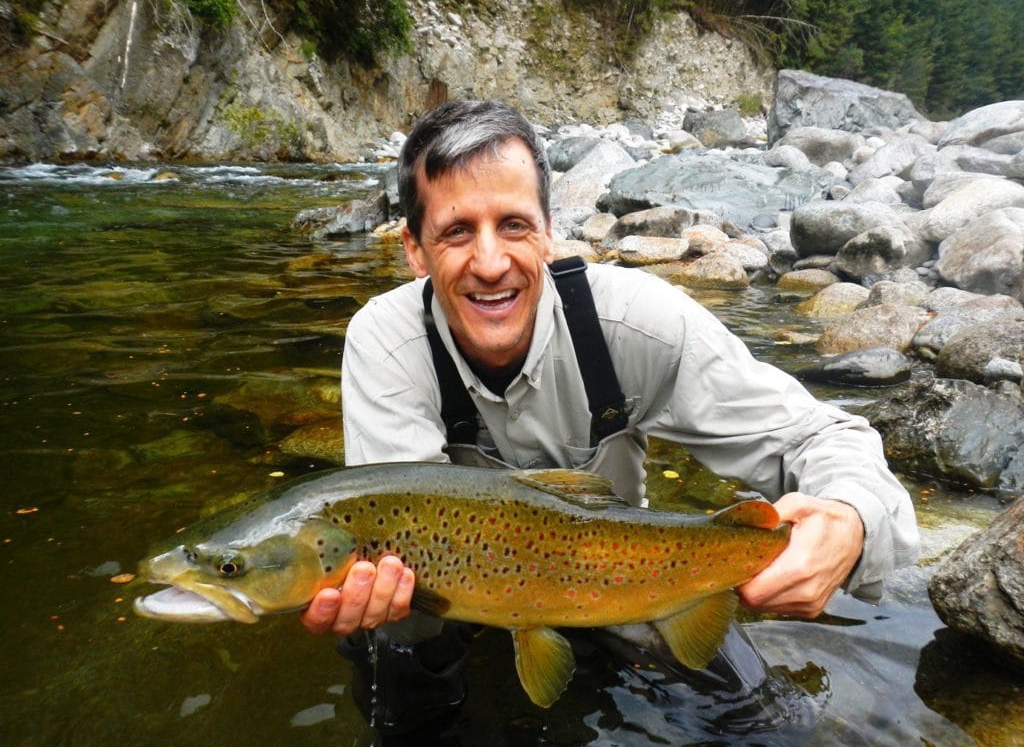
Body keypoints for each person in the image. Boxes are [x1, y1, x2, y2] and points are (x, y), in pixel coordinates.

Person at [301, 100, 919, 732]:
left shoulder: (637, 321)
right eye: (457, 231)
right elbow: (387, 533)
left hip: (629, 580)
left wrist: (850, 522)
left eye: (513, 225)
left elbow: (822, 435)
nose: (490, 263)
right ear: (414, 249)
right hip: (452, 597)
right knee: (397, 658)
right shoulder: (386, 343)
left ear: (547, 231)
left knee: (767, 725)